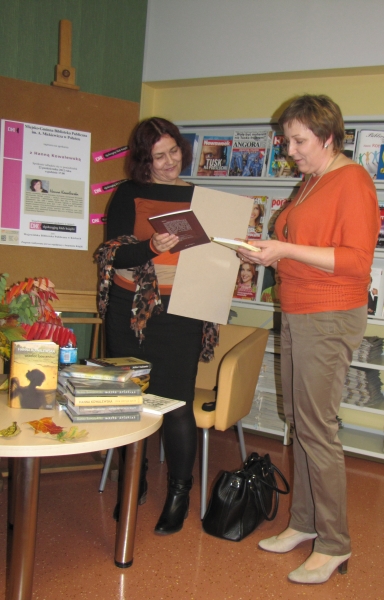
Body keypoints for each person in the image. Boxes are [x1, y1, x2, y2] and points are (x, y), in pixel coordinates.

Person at [237, 94, 379, 584]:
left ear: (328, 137)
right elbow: (300, 245)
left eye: (299, 141)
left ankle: (334, 543)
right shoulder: (311, 181)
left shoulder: (352, 180)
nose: (289, 149)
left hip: (329, 313)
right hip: (298, 309)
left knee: (318, 429)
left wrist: (284, 249)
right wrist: (268, 252)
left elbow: (356, 261)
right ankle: (304, 522)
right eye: (287, 140)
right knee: (300, 423)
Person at [94, 117, 218, 536]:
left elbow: (214, 258)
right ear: (143, 160)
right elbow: (113, 256)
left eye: (173, 152)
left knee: (177, 404)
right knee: (128, 400)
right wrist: (150, 246)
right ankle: (136, 479)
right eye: (157, 156)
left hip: (183, 309)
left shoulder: (202, 197)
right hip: (129, 309)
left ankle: (180, 494)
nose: (168, 163)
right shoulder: (129, 193)